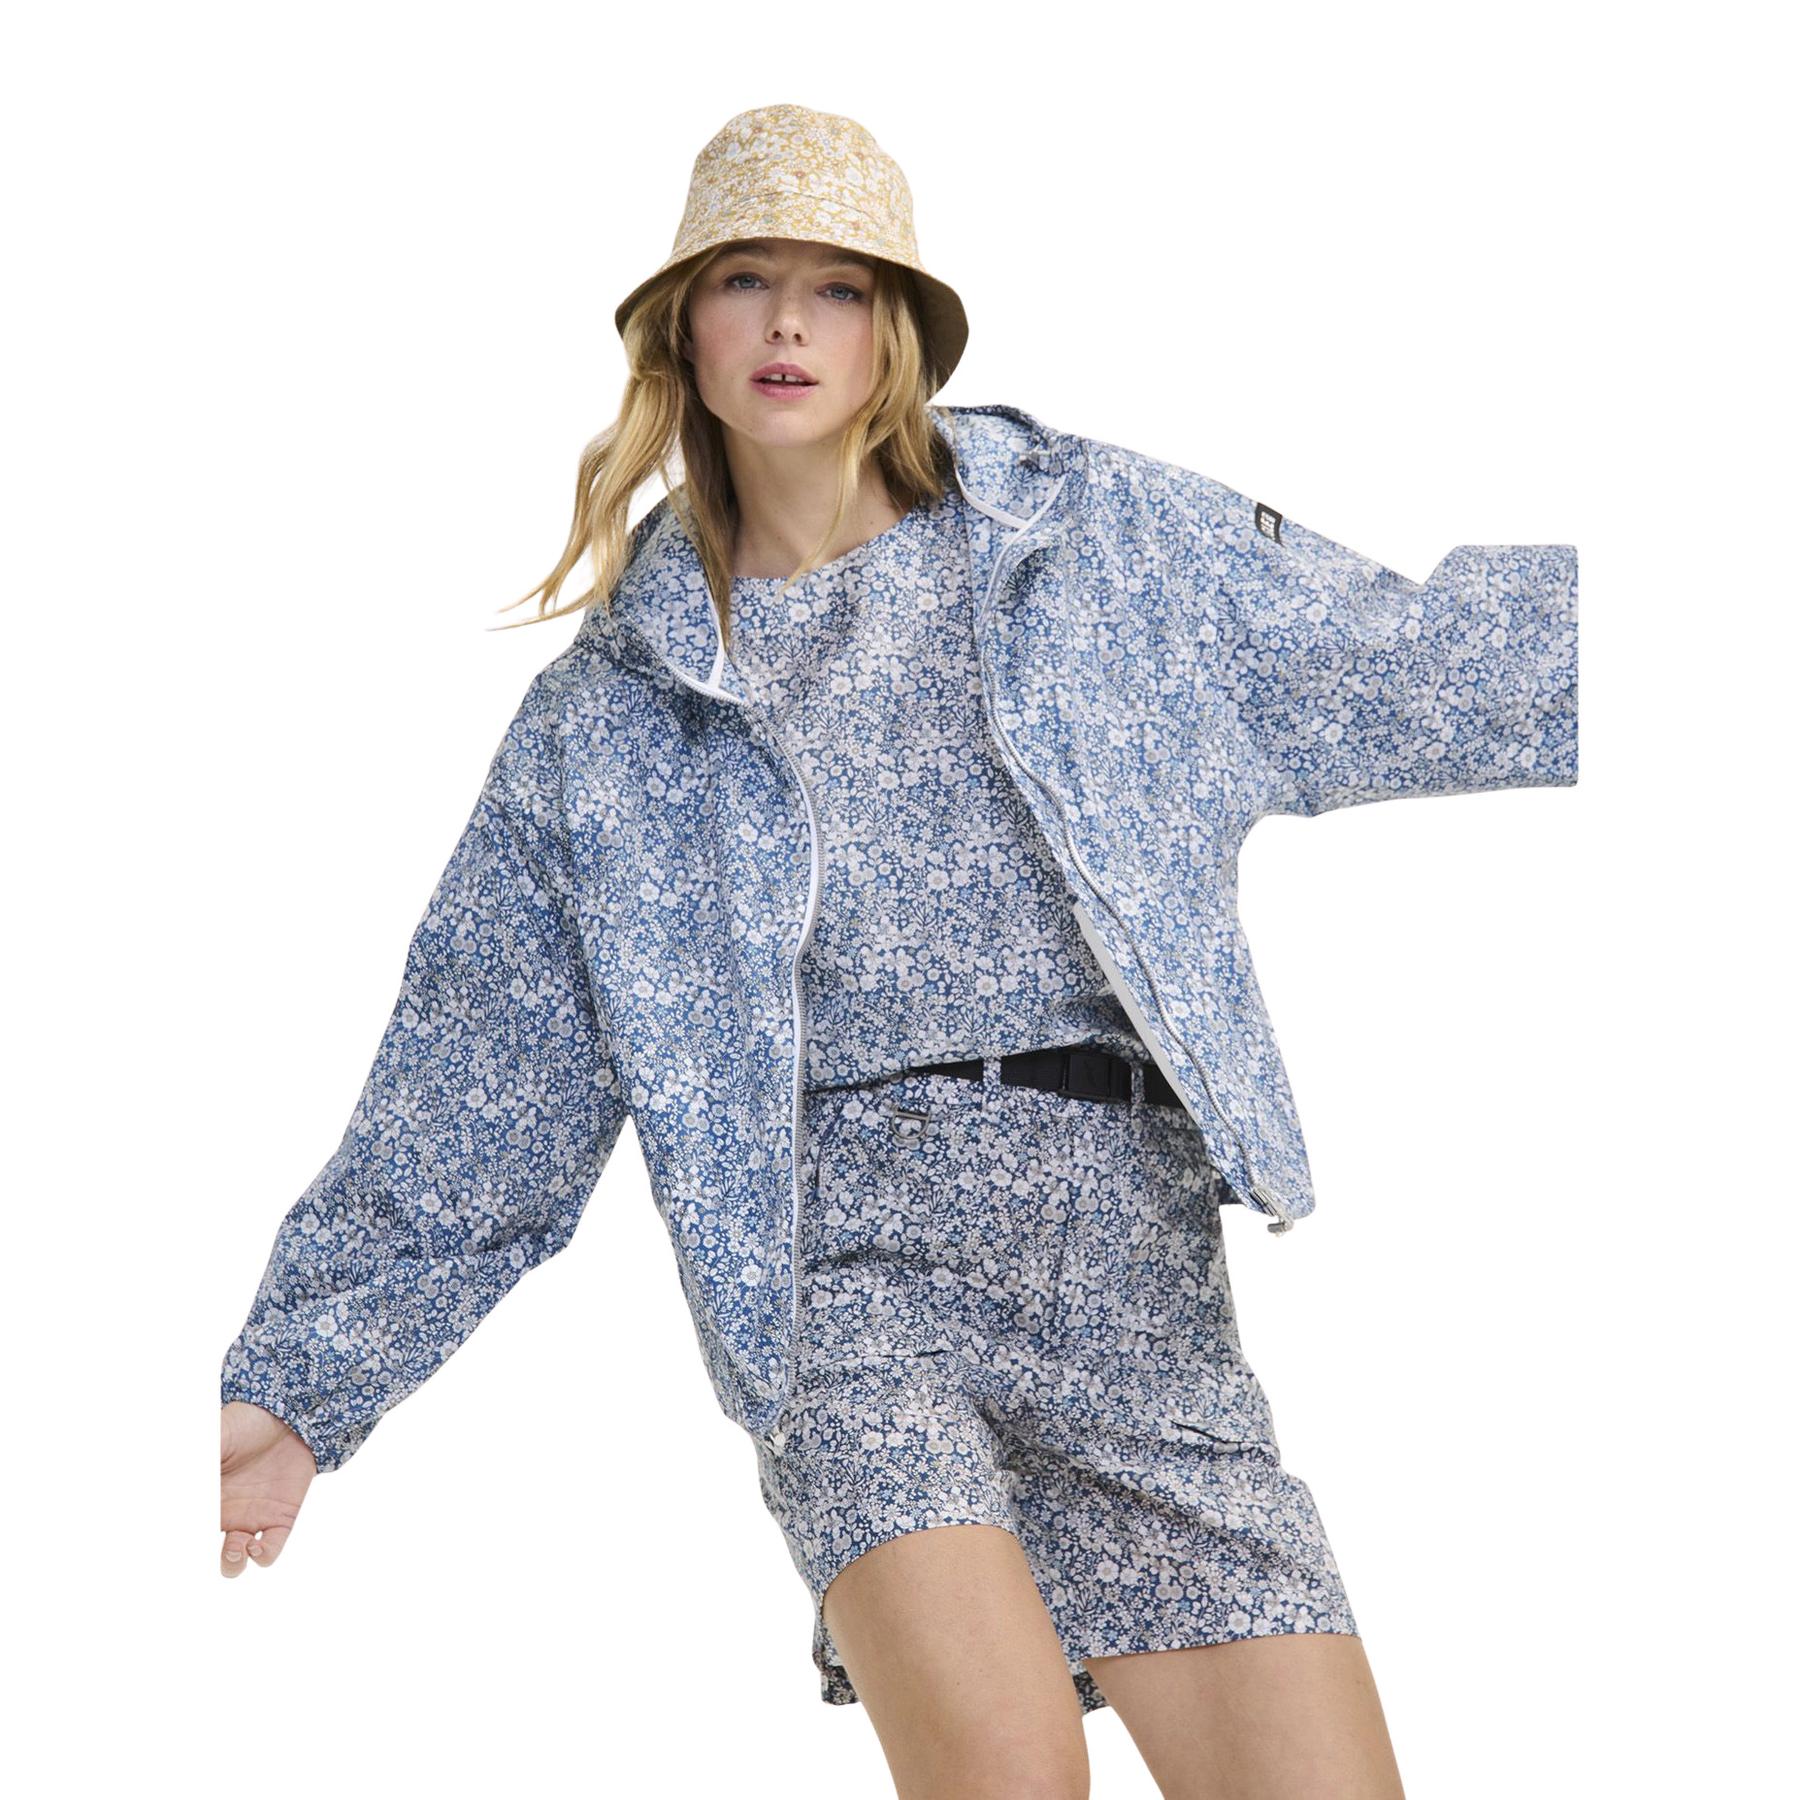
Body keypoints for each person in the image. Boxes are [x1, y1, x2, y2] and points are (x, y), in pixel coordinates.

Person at [220, 102, 1576, 1799]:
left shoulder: (1090, 551)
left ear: (898, 332)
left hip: (1134, 1268)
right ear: (682, 332)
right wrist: (299, 1388)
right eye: (746, 280)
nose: (790, 323)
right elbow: (476, 1092)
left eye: (840, 288)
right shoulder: (608, 727)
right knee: (1013, 1780)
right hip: (846, 1276)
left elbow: (1418, 658)